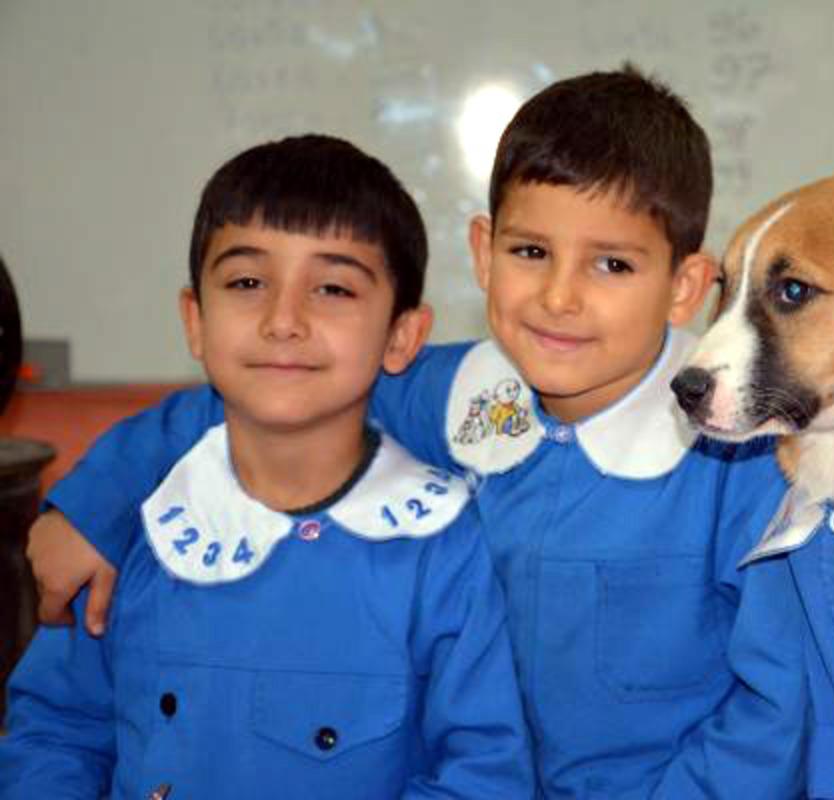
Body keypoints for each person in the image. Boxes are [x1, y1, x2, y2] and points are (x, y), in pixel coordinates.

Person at [21, 67, 802, 797]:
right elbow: (258, 399)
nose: (559, 298)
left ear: (686, 287)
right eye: (530, 251)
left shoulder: (740, 457)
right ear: (482, 254)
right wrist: (96, 505)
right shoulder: (448, 392)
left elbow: (774, 706)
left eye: (612, 267)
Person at [1, 135, 534, 798]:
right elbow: (54, 735)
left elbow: (481, 776)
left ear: (402, 336)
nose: (284, 320)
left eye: (334, 287)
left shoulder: (445, 551)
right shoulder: (130, 529)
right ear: (195, 320)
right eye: (248, 282)